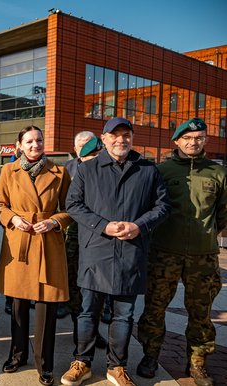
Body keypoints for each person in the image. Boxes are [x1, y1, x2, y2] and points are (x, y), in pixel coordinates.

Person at [63, 117, 170, 386]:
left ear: (132, 138)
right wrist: (103, 226)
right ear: (104, 138)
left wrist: (139, 226)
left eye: (126, 135)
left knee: (123, 315)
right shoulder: (89, 169)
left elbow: (163, 207)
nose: (121, 140)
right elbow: (73, 205)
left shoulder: (147, 169)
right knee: (88, 312)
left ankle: (117, 366)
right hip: (96, 251)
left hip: (131, 251)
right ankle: (82, 362)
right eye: (115, 135)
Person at [136, 118, 227, 386]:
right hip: (164, 252)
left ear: (205, 140)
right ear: (176, 141)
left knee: (201, 312)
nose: (193, 142)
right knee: (155, 308)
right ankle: (150, 356)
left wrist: (207, 234)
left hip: (203, 255)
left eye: (198, 137)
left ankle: (197, 364)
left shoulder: (217, 173)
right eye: (187, 138)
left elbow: (223, 213)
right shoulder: (161, 171)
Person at [0, 126, 72, 386]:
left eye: (38, 140)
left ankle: (45, 364)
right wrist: (13, 218)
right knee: (17, 306)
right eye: (28, 141)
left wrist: (54, 222)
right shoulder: (7, 170)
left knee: (46, 308)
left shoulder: (60, 172)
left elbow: (70, 208)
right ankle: (17, 355)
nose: (34, 145)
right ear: (19, 145)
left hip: (48, 243)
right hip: (20, 242)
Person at [62, 133, 108, 349]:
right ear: (75, 147)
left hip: (99, 237)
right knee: (74, 285)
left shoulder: (107, 167)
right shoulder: (66, 169)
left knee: (96, 287)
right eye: (81, 145)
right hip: (73, 235)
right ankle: (78, 329)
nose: (85, 149)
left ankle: (93, 330)